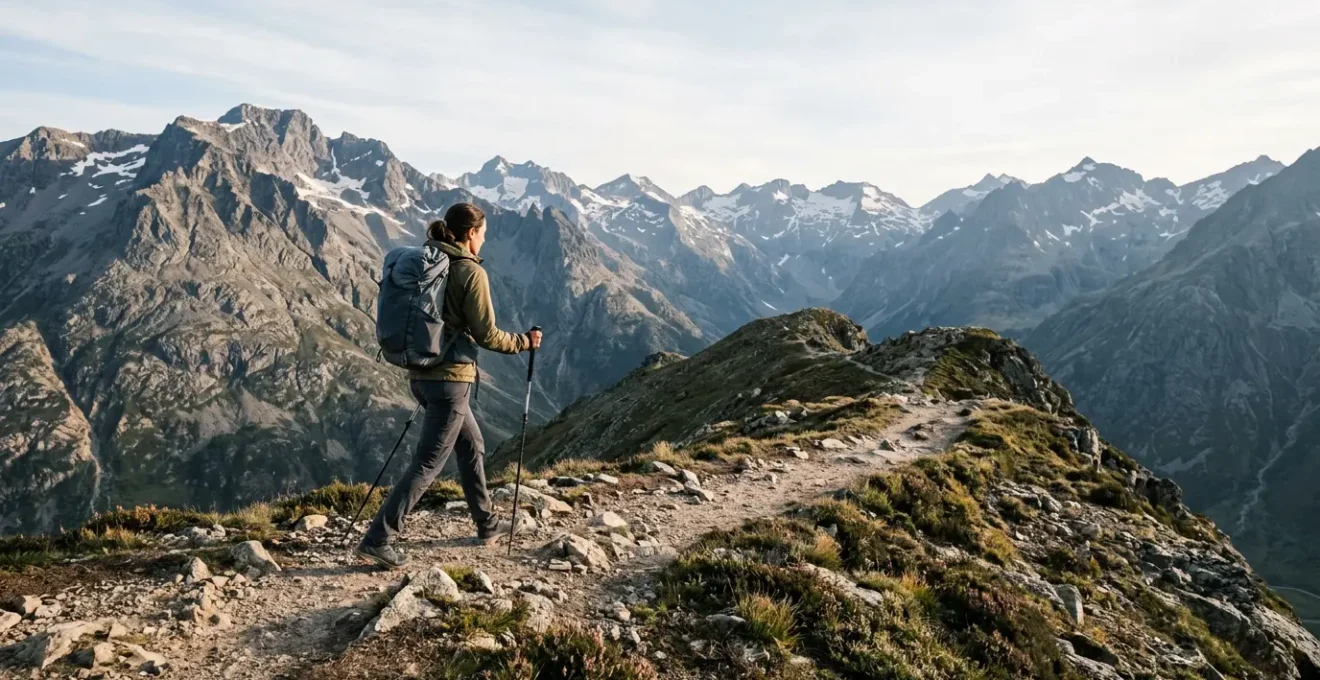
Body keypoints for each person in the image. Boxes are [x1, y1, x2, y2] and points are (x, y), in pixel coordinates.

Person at [357, 202, 542, 569]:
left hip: (422, 377)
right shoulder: (470, 273)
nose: (485, 242)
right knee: (428, 463)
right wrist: (525, 342)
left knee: (471, 443)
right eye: (483, 235)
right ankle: (379, 538)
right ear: (471, 234)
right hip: (450, 381)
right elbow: (487, 334)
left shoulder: (430, 261)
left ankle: (487, 524)